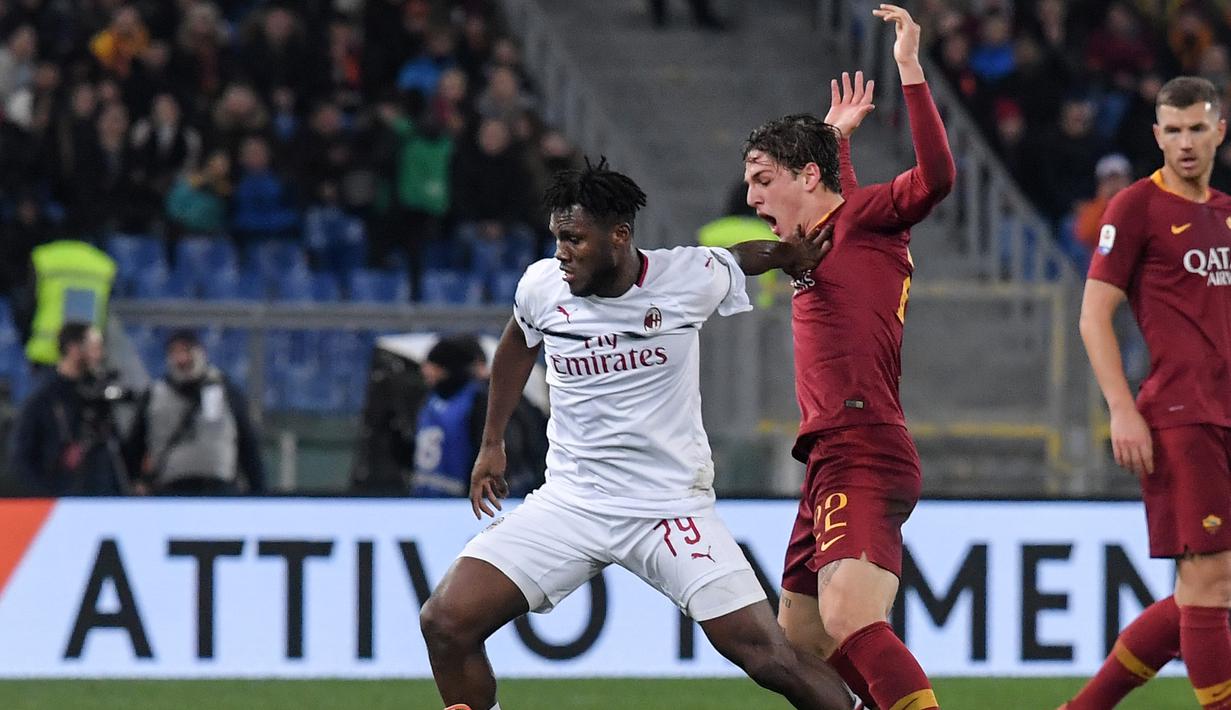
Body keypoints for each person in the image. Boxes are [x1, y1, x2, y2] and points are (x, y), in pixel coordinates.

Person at [418, 160, 855, 710]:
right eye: (557, 237)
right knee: (445, 623)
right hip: (571, 503)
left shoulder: (686, 277)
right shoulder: (542, 286)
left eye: (575, 239)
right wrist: (492, 444)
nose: (561, 252)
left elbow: (744, 257)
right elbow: (516, 344)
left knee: (768, 657)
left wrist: (791, 253)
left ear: (619, 236)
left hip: (668, 508)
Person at [742, 6, 954, 710]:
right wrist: (834, 142)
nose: (751, 197)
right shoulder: (829, 229)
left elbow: (936, 177)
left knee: (848, 617)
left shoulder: (863, 219)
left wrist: (909, 71)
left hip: (862, 443)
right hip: (828, 455)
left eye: (762, 179)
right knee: (801, 637)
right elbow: (836, 202)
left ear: (805, 177)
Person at [1063, 75, 1231, 710]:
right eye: (1174, 130)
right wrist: (1122, 409)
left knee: (1201, 592)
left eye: (1197, 128)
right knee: (1211, 587)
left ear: (1219, 131)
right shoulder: (1136, 206)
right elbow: (1093, 315)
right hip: (1182, 416)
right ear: (1158, 135)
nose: (1186, 142)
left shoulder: (1226, 212)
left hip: (1225, 413)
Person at [124, 329, 265, 495]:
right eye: (175, 353)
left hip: (219, 490)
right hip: (170, 490)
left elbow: (248, 445)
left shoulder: (226, 391)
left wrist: (258, 492)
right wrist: (135, 481)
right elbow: (134, 445)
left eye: (187, 351)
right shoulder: (154, 396)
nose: (182, 359)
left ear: (201, 353)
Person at [8, 323, 126, 495]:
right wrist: (45, 493)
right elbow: (21, 455)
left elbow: (114, 442)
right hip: (60, 493)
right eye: (94, 347)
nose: (100, 354)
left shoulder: (98, 393)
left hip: (101, 491)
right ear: (73, 349)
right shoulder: (44, 397)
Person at [409, 335, 488, 497]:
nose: (425, 370)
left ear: (445, 368)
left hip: (460, 499)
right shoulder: (429, 399)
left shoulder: (477, 401)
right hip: (424, 496)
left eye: (432, 365)